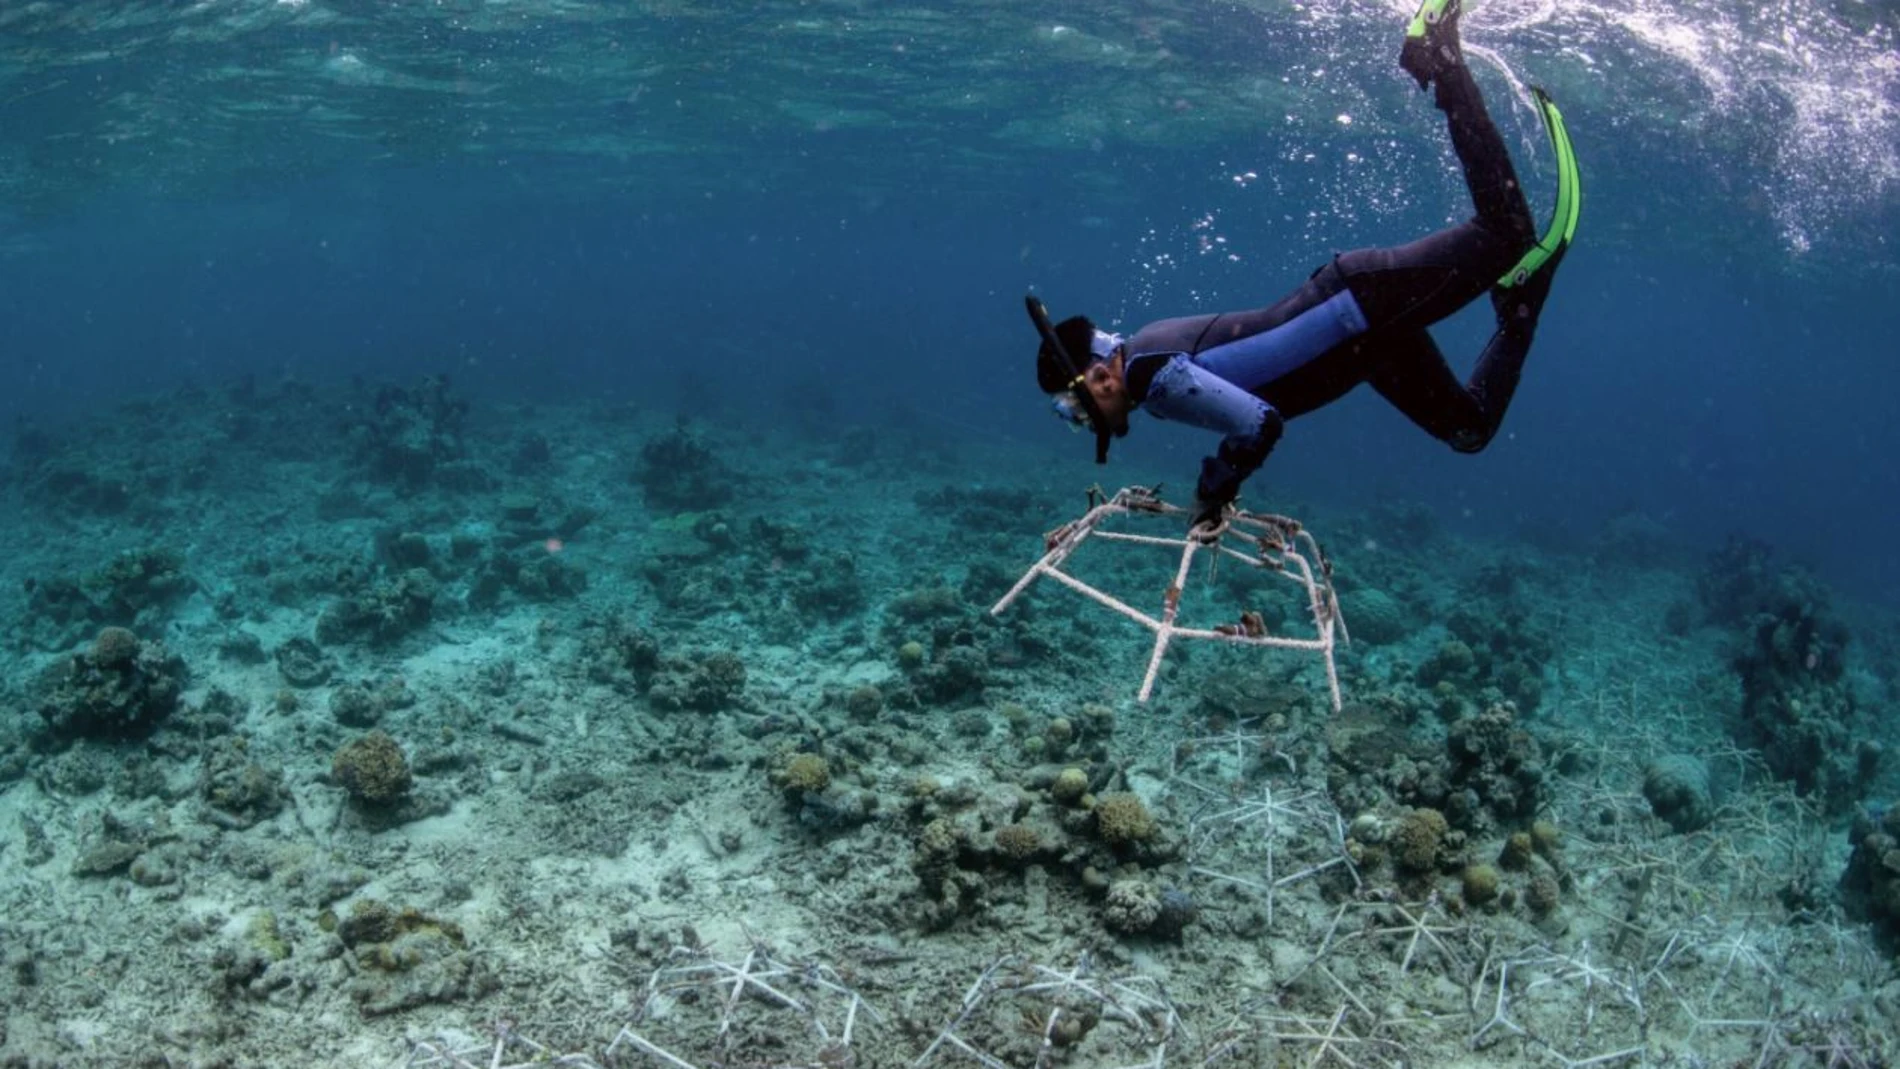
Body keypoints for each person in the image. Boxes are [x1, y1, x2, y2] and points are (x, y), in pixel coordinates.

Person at [1028, 0, 1581, 534]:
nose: (1080, 421)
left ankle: (1440, 56)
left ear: (1099, 376)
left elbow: (1259, 423)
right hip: (1365, 338)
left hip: (1360, 309)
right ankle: (1520, 301)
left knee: (1505, 233)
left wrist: (1216, 487)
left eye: (1073, 409)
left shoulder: (1149, 377)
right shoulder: (1147, 367)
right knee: (1468, 429)